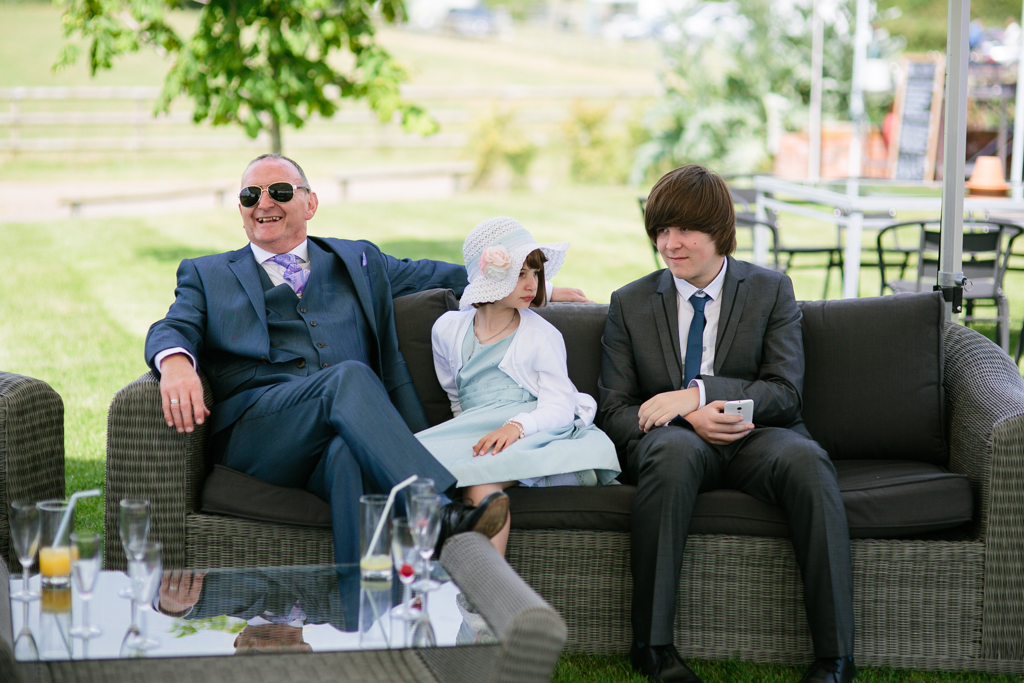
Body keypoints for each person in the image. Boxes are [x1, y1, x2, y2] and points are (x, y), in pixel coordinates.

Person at [145, 154, 589, 568]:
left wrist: (531, 287)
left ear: (310, 203)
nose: (263, 204)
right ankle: (435, 513)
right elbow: (173, 325)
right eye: (250, 195)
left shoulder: (357, 260)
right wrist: (176, 363)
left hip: (339, 435)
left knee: (349, 459)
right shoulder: (208, 273)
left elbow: (441, 275)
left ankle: (366, 615)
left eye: (279, 191)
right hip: (261, 434)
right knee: (349, 377)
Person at [598, 166, 855, 683]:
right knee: (672, 454)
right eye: (661, 230)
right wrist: (688, 415)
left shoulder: (770, 289)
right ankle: (653, 648)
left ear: (719, 231)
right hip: (674, 442)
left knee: (808, 462)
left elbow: (784, 391)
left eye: (684, 230)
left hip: (756, 437)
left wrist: (697, 392)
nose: (669, 244)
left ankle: (836, 658)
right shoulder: (630, 302)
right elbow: (614, 410)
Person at [415, 217, 620, 555]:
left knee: (482, 483)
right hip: (477, 426)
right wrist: (463, 434)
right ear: (489, 279)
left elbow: (559, 405)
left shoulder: (540, 335)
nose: (533, 284)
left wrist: (517, 426)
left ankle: (483, 585)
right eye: (521, 274)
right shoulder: (447, 329)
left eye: (536, 274)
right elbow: (455, 394)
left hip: (534, 428)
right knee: (410, 468)